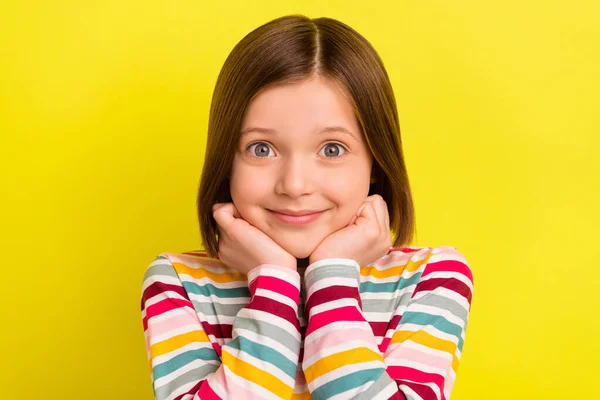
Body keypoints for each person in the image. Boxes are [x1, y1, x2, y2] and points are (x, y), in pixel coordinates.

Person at [141, 14, 474, 400]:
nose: (295, 185)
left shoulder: (431, 278)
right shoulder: (178, 283)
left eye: (332, 149)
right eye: (260, 149)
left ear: (375, 163)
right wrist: (273, 281)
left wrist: (331, 278)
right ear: (226, 163)